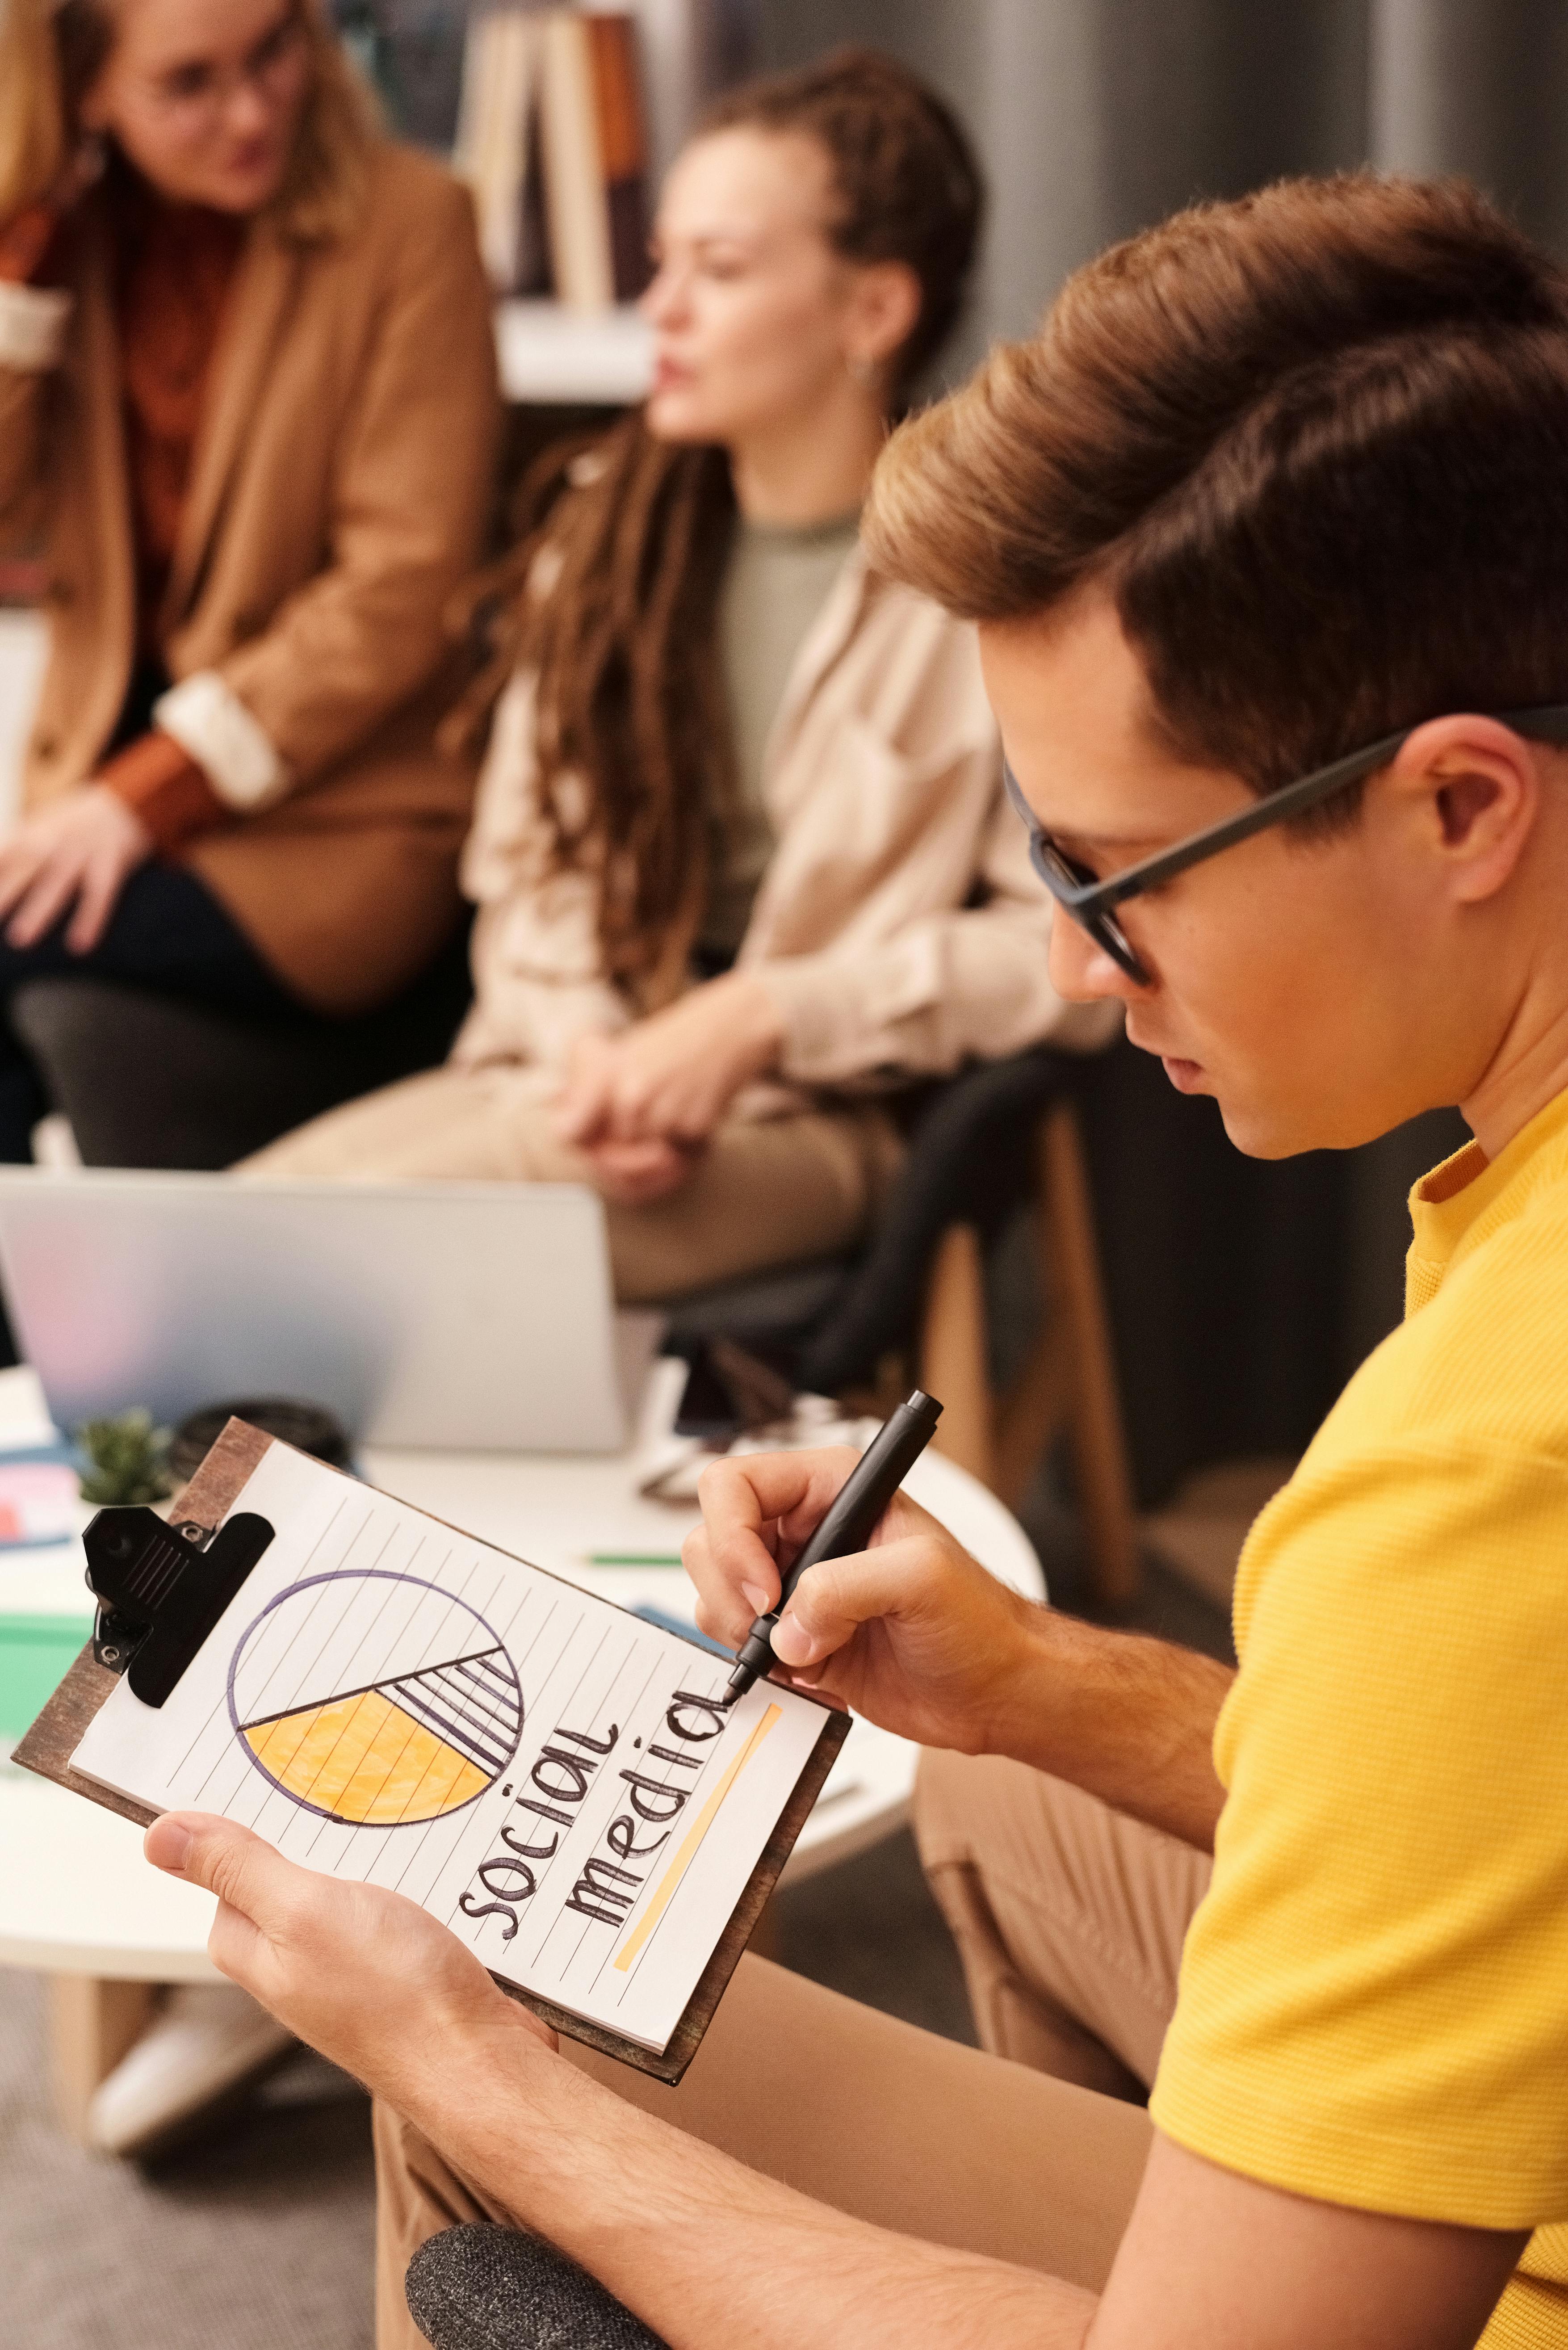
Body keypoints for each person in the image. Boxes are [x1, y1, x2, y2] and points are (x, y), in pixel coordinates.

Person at [140, 165, 1568, 2348]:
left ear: (1460, 810)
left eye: (1112, 876)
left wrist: (462, 2068)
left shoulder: (1470, 1479)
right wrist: (1030, 1684)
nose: (1088, 972)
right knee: (988, 1786)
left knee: (488, 2061)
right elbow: (1481, 1788)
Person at [245, 50, 1111, 1300]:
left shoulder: (990, 591)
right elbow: (526, 864)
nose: (662, 309)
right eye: (663, 265)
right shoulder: (604, 546)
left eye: (719, 270)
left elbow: (1063, 949)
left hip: (819, 1122)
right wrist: (599, 1047)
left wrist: (767, 1015)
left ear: (872, 313)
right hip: (564, 1082)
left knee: (301, 1259)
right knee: (220, 1238)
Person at [0, 0, 499, 1161]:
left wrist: (145, 796)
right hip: (108, 795)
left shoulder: (413, 224)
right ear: (84, 91)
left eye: (275, 49)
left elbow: (405, 587)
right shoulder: (80, 244)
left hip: (334, 825)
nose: (254, 108)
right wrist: (24, 269)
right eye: (190, 85)